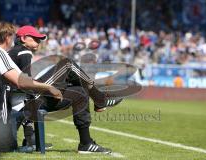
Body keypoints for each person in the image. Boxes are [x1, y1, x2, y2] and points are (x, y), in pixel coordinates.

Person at [8, 25, 123, 154]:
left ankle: (86, 143)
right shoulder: (23, 51)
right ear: (23, 38)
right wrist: (51, 88)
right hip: (29, 101)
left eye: (39, 39)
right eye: (35, 38)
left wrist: (30, 136)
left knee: (80, 92)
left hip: (25, 102)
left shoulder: (12, 53)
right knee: (67, 64)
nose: (39, 42)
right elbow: (27, 86)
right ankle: (100, 99)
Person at [0, 22, 63, 152]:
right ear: (7, 37)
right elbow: (21, 82)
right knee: (10, 146)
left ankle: (30, 139)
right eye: (12, 37)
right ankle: (30, 140)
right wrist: (48, 87)